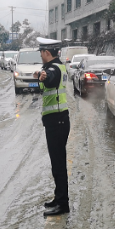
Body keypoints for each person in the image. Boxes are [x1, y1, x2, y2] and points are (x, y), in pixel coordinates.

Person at [32, 37, 70, 217]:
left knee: (59, 164)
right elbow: (45, 85)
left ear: (47, 53)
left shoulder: (53, 69)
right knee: (57, 164)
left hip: (57, 122)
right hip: (57, 121)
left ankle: (63, 204)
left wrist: (44, 78)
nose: (40, 55)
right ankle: (59, 198)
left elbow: (51, 80)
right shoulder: (55, 66)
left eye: (41, 52)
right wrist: (39, 77)